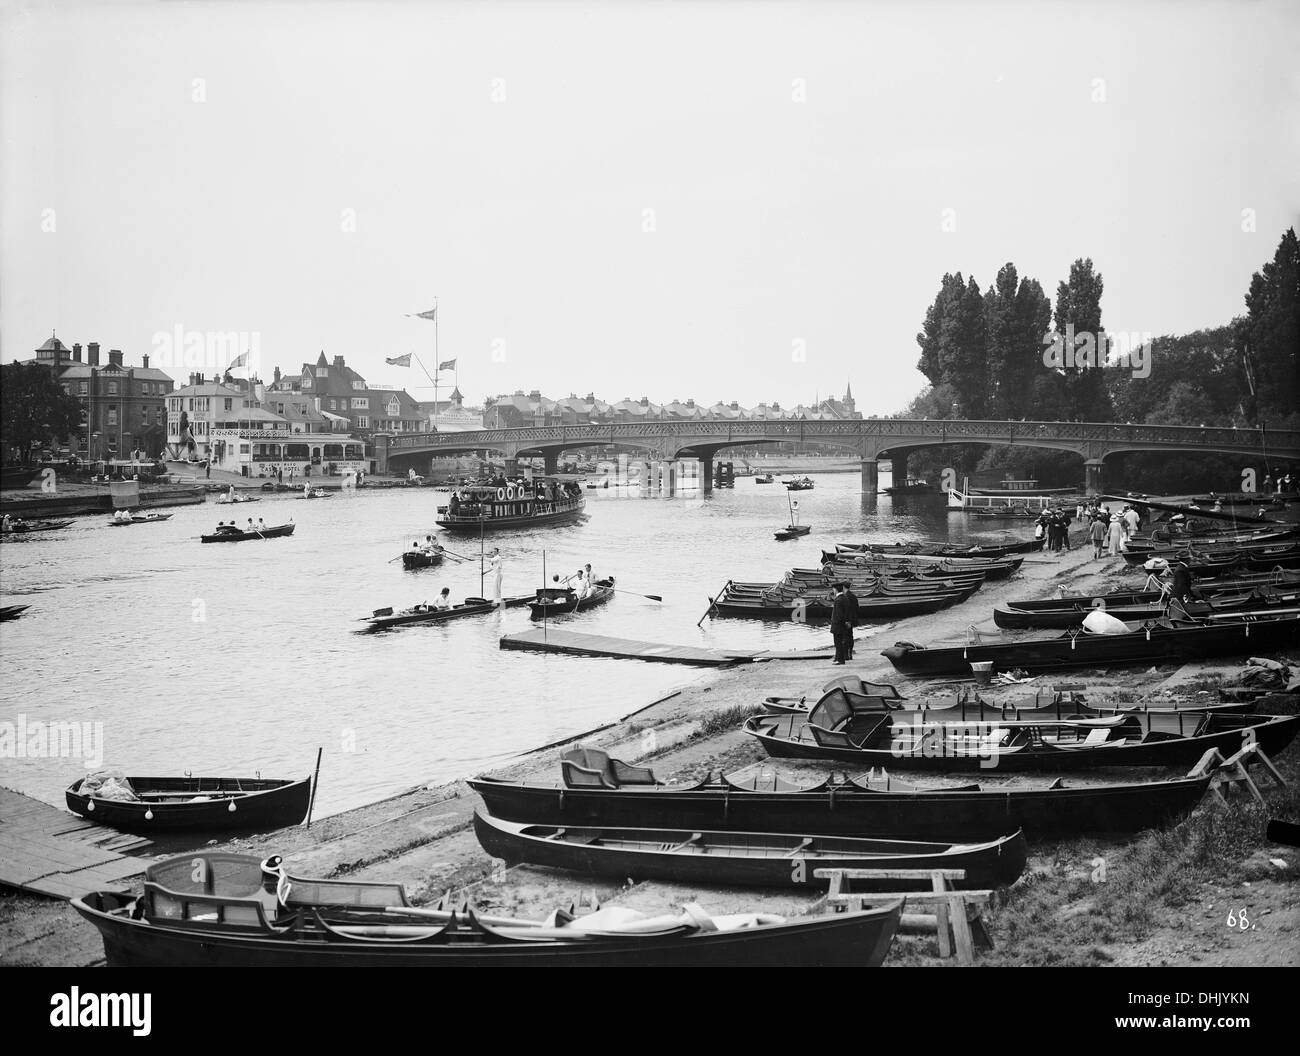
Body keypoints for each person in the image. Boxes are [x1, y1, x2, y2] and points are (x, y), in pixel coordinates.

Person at [829, 583, 852, 665]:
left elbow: (839, 615)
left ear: (836, 589)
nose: (833, 591)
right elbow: (847, 612)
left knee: (838, 643)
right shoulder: (845, 598)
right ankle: (838, 658)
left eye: (833, 589)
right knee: (840, 642)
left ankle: (840, 660)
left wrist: (839, 623)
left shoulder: (838, 600)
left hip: (838, 625)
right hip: (843, 625)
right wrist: (847, 621)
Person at [842, 582, 861, 658]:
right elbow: (857, 608)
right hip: (853, 619)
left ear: (843, 587)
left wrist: (846, 620)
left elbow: (846, 610)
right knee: (851, 636)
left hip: (847, 620)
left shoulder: (845, 596)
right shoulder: (853, 596)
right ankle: (850, 654)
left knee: (846, 637)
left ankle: (846, 655)